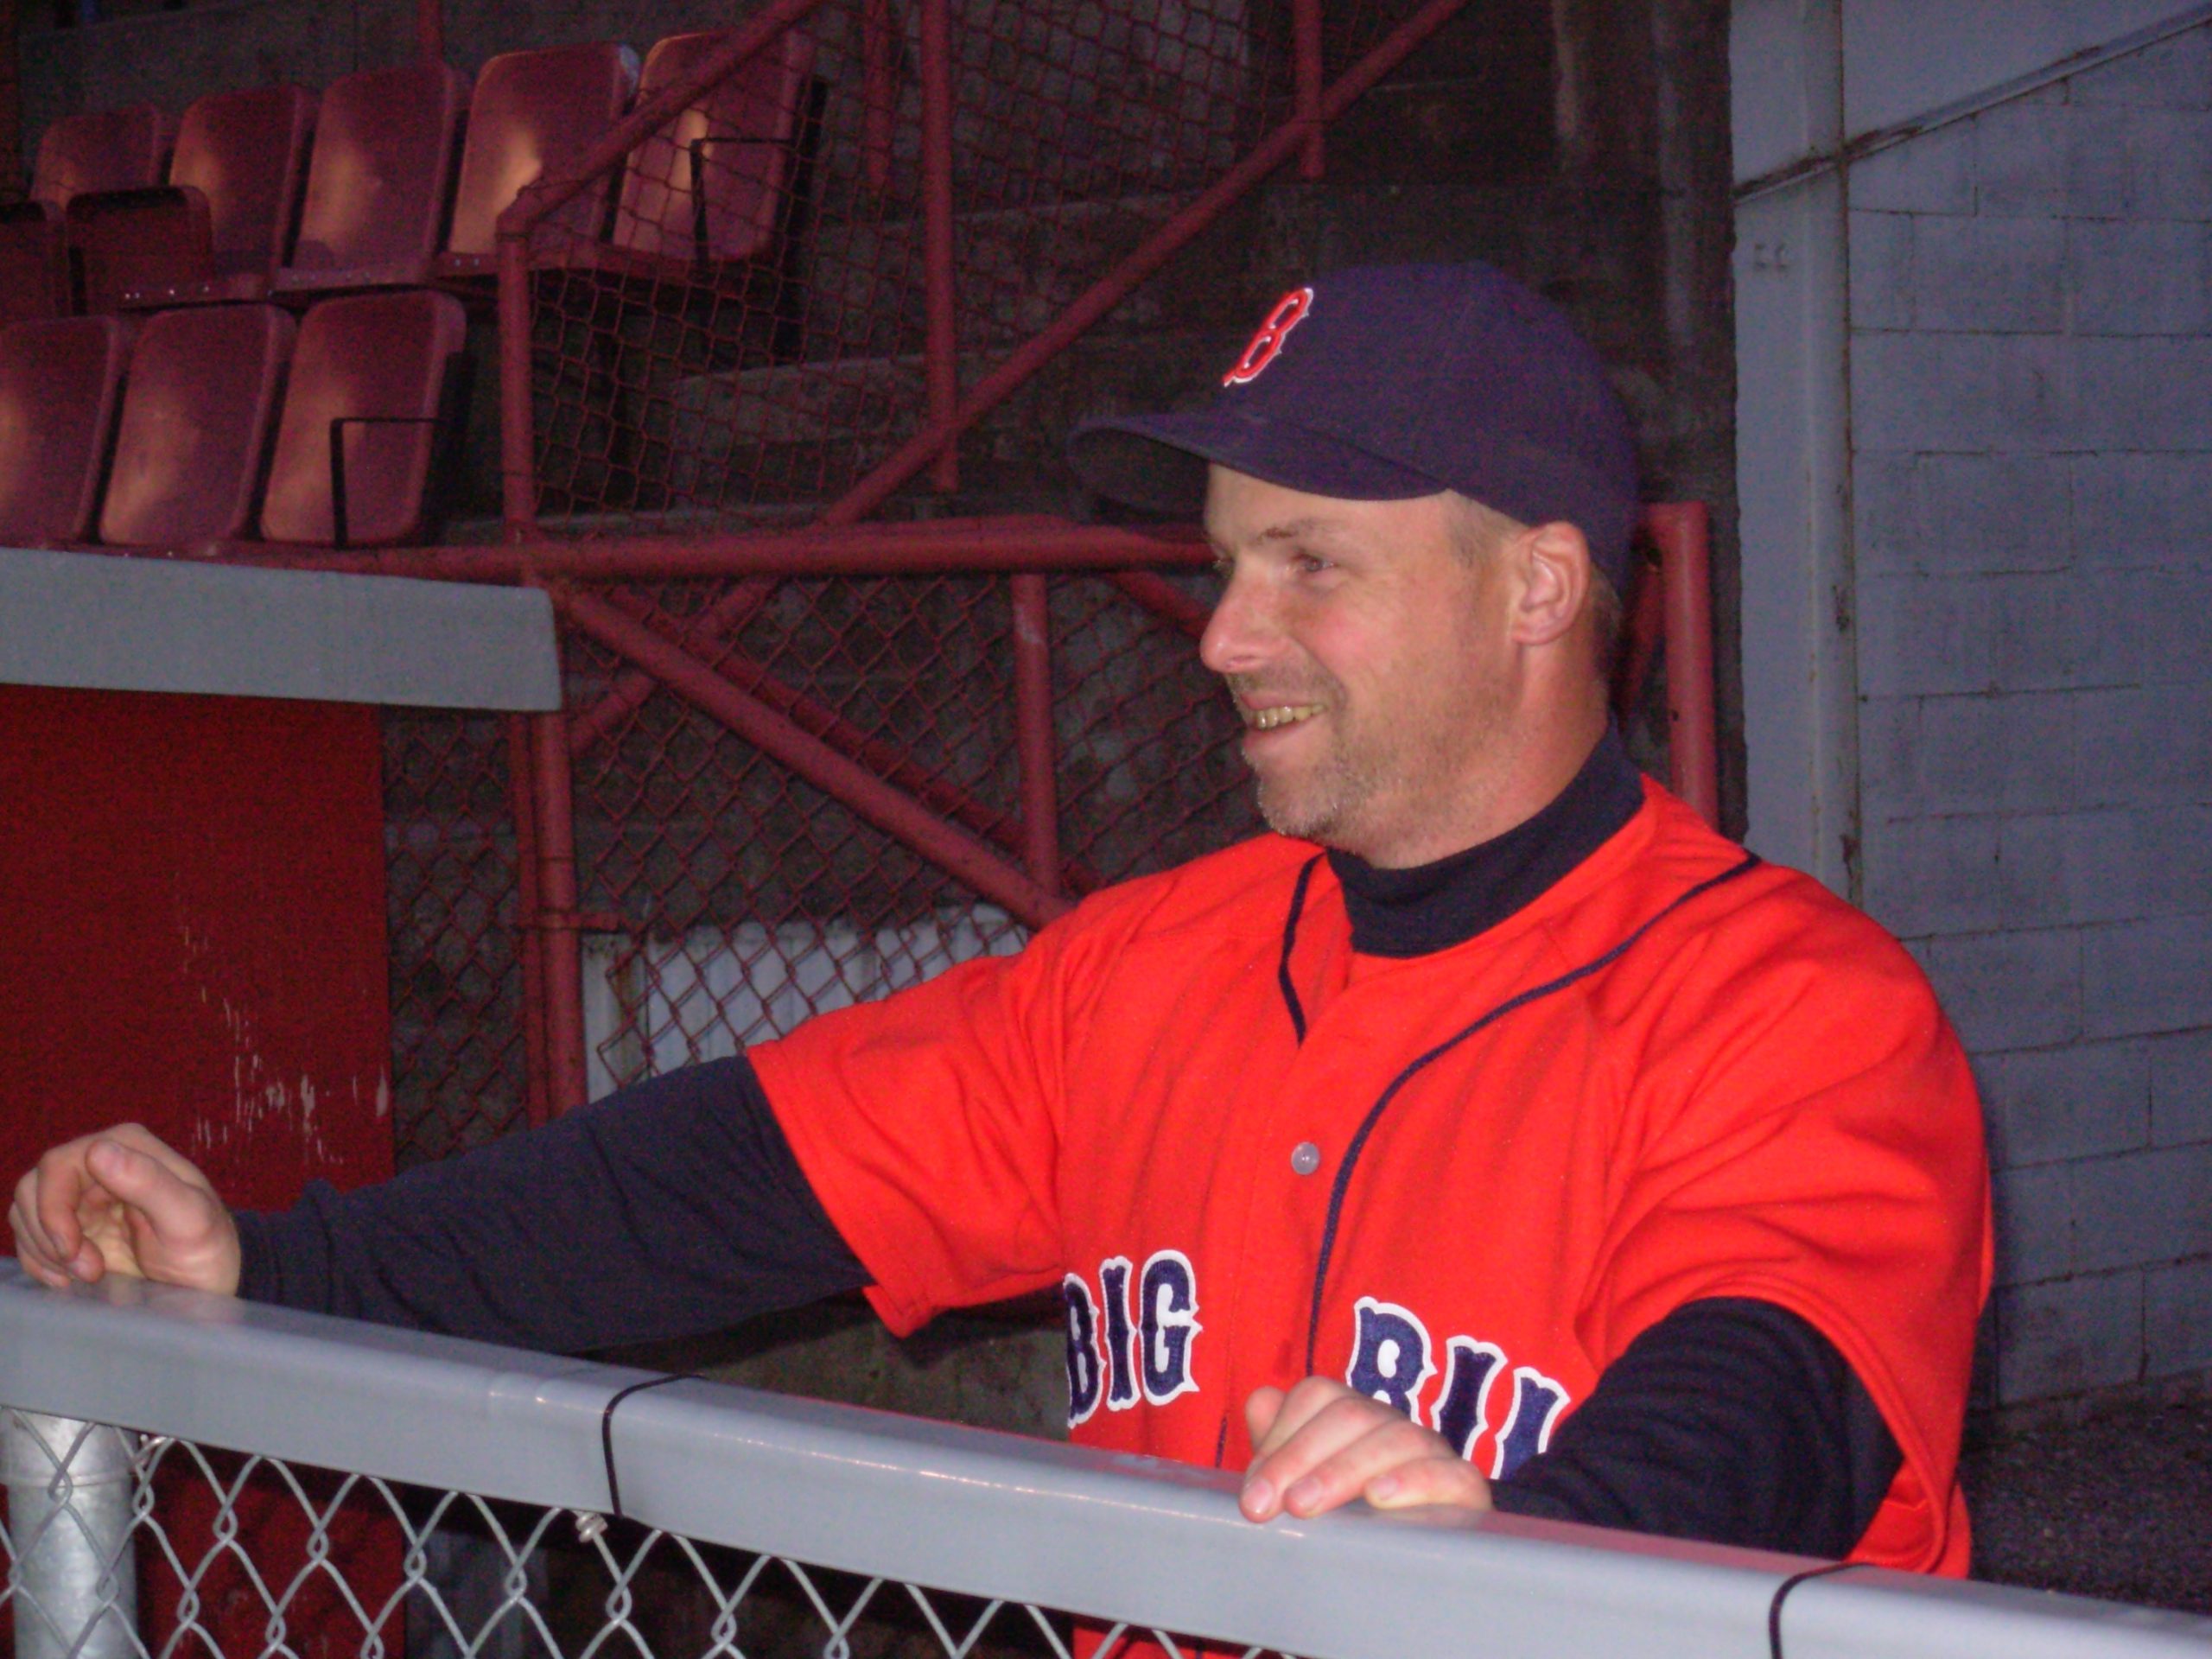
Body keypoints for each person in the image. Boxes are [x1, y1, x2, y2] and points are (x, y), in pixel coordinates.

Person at [10, 264, 1990, 1570]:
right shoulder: (1146, 968)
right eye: (1223, 565)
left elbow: (1769, 1406)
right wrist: (272, 1267)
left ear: (1538, 589)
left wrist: (1525, 1564)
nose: (1222, 635)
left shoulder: (1794, 1012)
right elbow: (704, 1187)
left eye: (1307, 565)